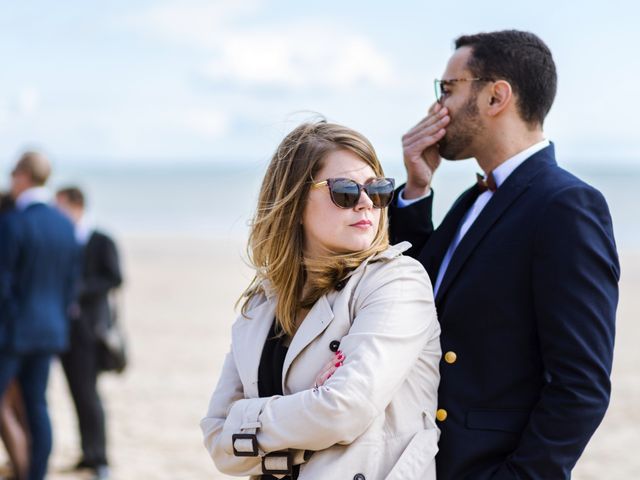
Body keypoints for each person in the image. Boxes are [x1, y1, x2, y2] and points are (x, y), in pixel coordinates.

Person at [389, 30, 619, 479]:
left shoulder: (566, 205)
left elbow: (581, 385)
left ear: (496, 97)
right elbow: (413, 294)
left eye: (448, 90)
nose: (438, 109)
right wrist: (416, 189)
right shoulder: (473, 200)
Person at [201, 121, 441, 479]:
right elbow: (218, 439)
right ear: (294, 203)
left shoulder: (397, 283)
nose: (365, 204)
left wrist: (249, 425)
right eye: (344, 191)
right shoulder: (263, 301)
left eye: (377, 190)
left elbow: (344, 409)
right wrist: (307, 424)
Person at [0, 151, 79, 480]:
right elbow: (70, 285)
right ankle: (35, 474)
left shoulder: (14, 223)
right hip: (50, 331)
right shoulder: (65, 224)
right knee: (37, 406)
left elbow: (2, 285)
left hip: (14, 332)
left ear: (22, 177)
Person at [55, 186, 123, 480]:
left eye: (61, 207)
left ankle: (99, 458)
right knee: (75, 393)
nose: (57, 213)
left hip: (91, 331)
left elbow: (115, 277)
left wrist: (80, 290)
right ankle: (86, 454)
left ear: (77, 205)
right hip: (63, 330)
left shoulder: (100, 239)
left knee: (89, 395)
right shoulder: (62, 241)